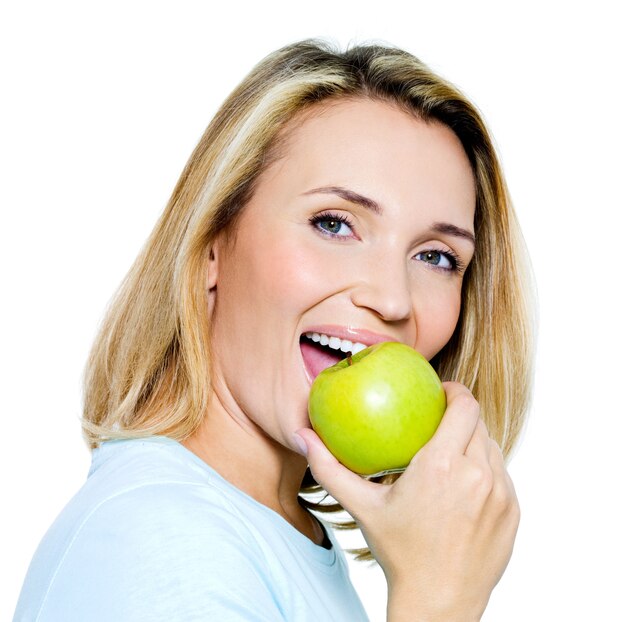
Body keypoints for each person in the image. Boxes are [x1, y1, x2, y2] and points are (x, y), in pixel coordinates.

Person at [14, 39, 535, 621]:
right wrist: (440, 599)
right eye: (334, 224)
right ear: (212, 243)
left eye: (436, 257)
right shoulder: (163, 545)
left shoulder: (270, 532)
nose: (391, 299)